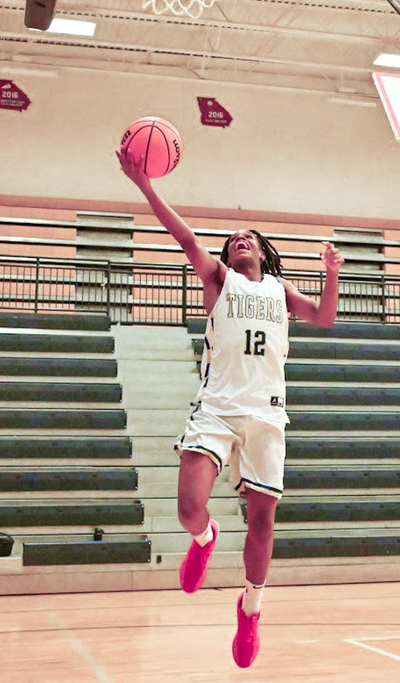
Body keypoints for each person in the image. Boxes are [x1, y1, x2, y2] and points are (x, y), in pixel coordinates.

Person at [117, 147, 344, 668]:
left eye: (251, 238)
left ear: (264, 253)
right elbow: (186, 238)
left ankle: (251, 611)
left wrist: (331, 272)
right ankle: (205, 538)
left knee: (262, 519)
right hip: (217, 408)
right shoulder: (220, 280)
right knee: (188, 507)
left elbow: (326, 318)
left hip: (266, 415)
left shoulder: (283, 292)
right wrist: (147, 187)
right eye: (234, 238)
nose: (240, 240)